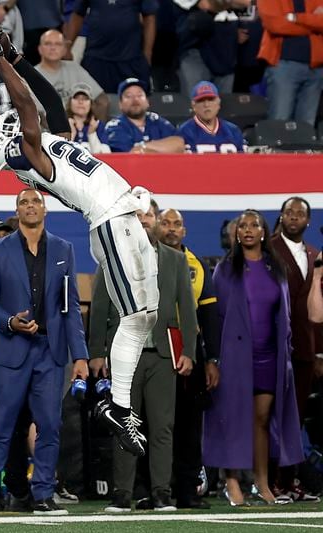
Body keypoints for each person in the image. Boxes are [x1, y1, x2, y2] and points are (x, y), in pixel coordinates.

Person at [0, 27, 158, 456]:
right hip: (109, 222)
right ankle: (118, 405)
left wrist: (16, 58)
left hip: (124, 215)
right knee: (134, 317)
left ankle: (119, 405)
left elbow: (48, 103)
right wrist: (0, 64)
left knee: (147, 316)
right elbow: (26, 106)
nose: (16, 121)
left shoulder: (46, 145)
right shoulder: (34, 158)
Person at [0, 188, 89, 516]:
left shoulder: (64, 249)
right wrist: (9, 321)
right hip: (10, 347)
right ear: (17, 211)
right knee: (0, 424)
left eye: (35, 201)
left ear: (45, 209)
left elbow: (71, 305)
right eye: (24, 202)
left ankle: (43, 494)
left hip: (51, 350)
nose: (30, 206)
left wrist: (80, 356)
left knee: (49, 424)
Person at [91, 200, 197, 513]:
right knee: (123, 425)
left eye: (147, 215)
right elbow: (99, 308)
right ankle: (122, 494)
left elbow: (187, 311)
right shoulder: (111, 258)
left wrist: (188, 352)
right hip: (125, 356)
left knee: (163, 427)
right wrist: (96, 352)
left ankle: (161, 493)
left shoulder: (176, 260)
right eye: (135, 216)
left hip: (163, 356)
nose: (141, 220)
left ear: (154, 220)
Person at [204, 209, 304, 506]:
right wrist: (214, 359)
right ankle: (231, 481)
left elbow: (284, 315)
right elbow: (216, 317)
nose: (248, 230)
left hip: (269, 356)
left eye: (254, 225)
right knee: (233, 418)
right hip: (234, 356)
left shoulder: (277, 269)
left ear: (263, 232)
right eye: (243, 226)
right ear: (237, 234)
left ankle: (262, 482)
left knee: (261, 420)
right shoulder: (225, 269)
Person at [158, 207, 221, 510]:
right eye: (166, 223)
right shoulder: (144, 259)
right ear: (156, 227)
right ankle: (153, 490)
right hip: (155, 350)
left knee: (188, 424)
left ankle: (187, 491)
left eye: (177, 224)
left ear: (184, 231)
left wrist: (213, 359)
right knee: (154, 423)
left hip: (189, 353)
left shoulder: (196, 263)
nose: (171, 229)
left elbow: (208, 314)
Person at [270, 197, 323, 502]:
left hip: (304, 349)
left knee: (296, 418)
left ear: (308, 221)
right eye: (289, 212)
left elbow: (318, 311)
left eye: (300, 214)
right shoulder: (268, 251)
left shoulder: (315, 255)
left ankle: (290, 482)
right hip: (272, 348)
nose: (294, 218)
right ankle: (271, 481)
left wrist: (319, 352)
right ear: (281, 217)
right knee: (272, 417)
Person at [63, 0, 157, 93]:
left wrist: (147, 53)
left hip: (130, 58)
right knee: (93, 100)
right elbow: (78, 14)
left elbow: (149, 18)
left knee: (135, 100)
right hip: (96, 58)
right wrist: (68, 46)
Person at [257, 0, 323, 125]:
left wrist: (296, 18)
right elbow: (275, 25)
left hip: (316, 67)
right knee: (279, 120)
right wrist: (313, 24)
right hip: (283, 66)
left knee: (307, 125)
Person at [34, 29, 108, 120]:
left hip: (81, 125)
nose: (53, 48)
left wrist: (96, 130)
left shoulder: (74, 68)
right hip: (49, 130)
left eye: (58, 44)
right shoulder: (32, 75)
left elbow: (103, 101)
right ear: (40, 49)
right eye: (48, 44)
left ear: (64, 50)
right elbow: (39, 114)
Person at [103, 78, 185, 153]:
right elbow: (130, 155)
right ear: (120, 104)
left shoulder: (156, 120)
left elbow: (178, 144)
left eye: (140, 95)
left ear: (147, 102)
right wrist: (162, 149)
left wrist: (142, 147)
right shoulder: (114, 126)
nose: (135, 99)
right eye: (129, 96)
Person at [178, 80, 246, 153]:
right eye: (201, 100)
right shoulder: (185, 132)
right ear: (193, 105)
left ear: (218, 103)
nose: (206, 105)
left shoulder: (233, 131)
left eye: (211, 99)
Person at [66, 83, 109, 153]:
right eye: (76, 98)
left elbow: (105, 155)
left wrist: (91, 134)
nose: (80, 102)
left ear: (91, 104)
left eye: (85, 99)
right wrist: (71, 134)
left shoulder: (99, 125)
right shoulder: (61, 125)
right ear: (70, 102)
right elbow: (58, 155)